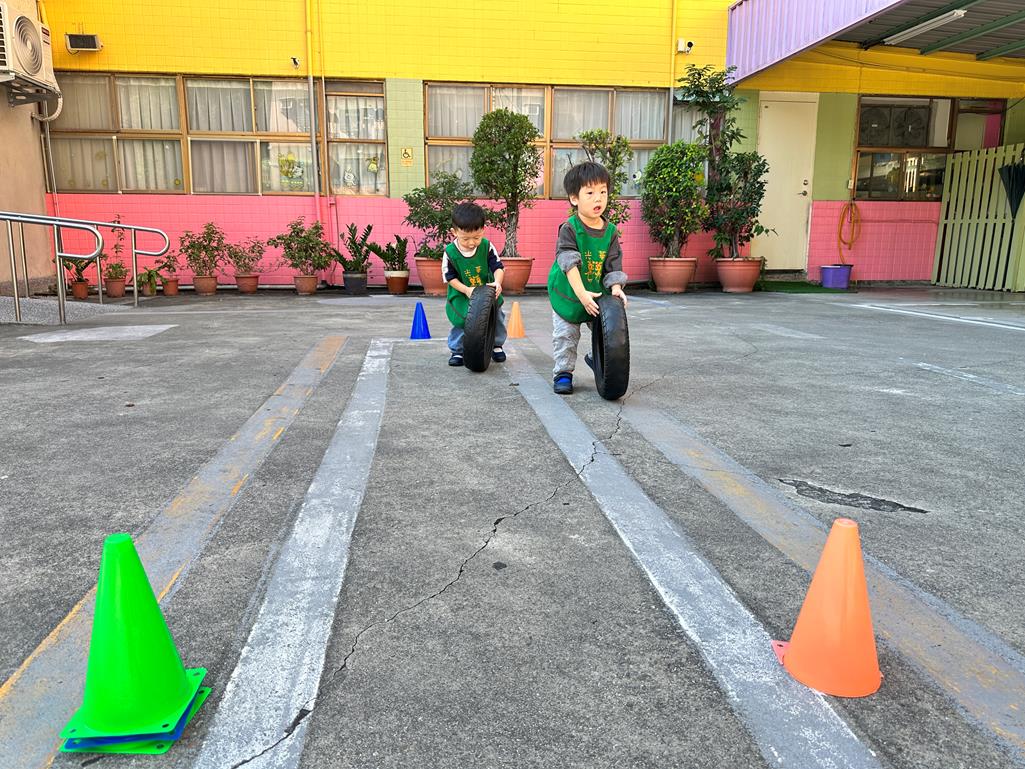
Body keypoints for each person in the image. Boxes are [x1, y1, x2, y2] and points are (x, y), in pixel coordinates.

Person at [547, 161, 628, 394]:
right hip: (569, 293)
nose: (598, 198)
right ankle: (563, 372)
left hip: (596, 293)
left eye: (603, 192)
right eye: (590, 193)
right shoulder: (570, 228)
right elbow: (569, 263)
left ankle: (597, 357)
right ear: (574, 198)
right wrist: (581, 294)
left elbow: (613, 262)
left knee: (608, 331)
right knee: (566, 336)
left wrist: (616, 288)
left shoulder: (610, 231)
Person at [443, 202, 507, 367]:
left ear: (483, 231)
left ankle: (496, 345)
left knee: (497, 316)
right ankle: (457, 350)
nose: (471, 243)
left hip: (486, 292)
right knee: (462, 320)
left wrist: (497, 282)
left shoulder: (486, 246)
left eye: (476, 237)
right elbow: (450, 277)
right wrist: (466, 290)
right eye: (465, 238)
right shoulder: (450, 252)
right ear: (454, 232)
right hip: (462, 292)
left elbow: (498, 267)